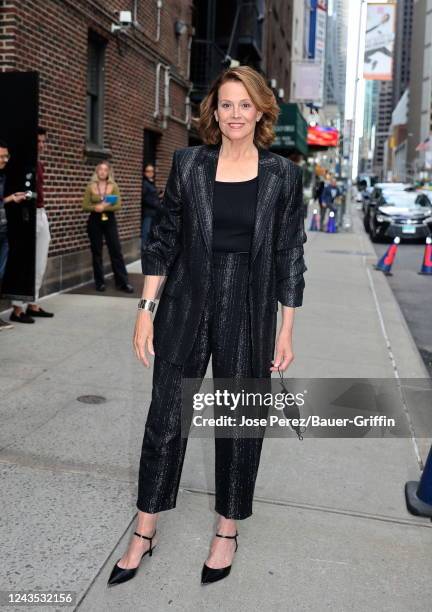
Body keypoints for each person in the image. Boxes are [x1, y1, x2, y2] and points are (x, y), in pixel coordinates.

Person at [107, 65, 307, 587]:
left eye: (245, 105)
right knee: (166, 415)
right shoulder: (189, 164)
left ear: (261, 110)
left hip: (250, 304)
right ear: (212, 111)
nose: (235, 114)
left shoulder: (282, 175)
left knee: (239, 422)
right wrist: (145, 311)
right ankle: (145, 529)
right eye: (225, 104)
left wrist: (287, 328)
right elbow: (164, 239)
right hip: (186, 299)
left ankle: (227, 528)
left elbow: (290, 253)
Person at [10, 127, 54, 323]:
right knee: (25, 261)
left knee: (40, 261)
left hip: (41, 213)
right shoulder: (22, 163)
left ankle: (33, 303)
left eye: (44, 142)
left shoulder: (39, 164)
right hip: (27, 216)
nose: (42, 145)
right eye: (39, 142)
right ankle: (17, 308)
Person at [82, 160, 134, 293]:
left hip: (109, 220)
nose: (102, 172)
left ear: (108, 172)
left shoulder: (113, 186)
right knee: (97, 252)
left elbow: (118, 205)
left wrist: (104, 206)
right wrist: (96, 207)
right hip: (95, 220)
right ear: (97, 171)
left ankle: (122, 282)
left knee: (116, 250)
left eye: (105, 170)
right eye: (100, 169)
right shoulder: (90, 186)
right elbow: (85, 206)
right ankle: (100, 283)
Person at [0, 139, 27, 330]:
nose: (5, 160)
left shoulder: (2, 177)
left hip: (3, 231)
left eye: (6, 156)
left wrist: (10, 198)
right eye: (1, 156)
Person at [141, 163, 163, 249]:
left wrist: (158, 196)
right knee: (146, 232)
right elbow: (145, 198)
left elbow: (151, 196)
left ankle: (149, 250)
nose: (150, 173)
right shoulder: (145, 184)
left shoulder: (151, 183)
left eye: (151, 171)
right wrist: (157, 203)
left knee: (152, 232)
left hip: (154, 212)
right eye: (148, 171)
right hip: (148, 213)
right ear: (144, 173)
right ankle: (145, 250)